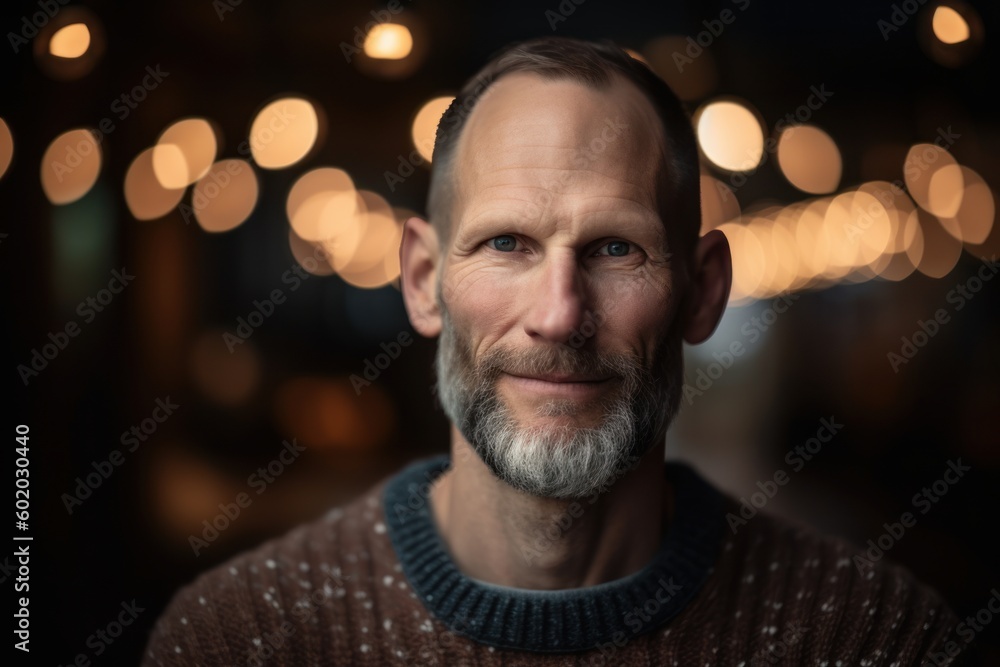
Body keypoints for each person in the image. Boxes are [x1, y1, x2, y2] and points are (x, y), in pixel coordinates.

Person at [142, 36, 968, 666]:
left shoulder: (873, 638)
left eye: (615, 249)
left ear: (703, 291)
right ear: (423, 280)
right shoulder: (240, 637)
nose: (560, 314)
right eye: (506, 243)